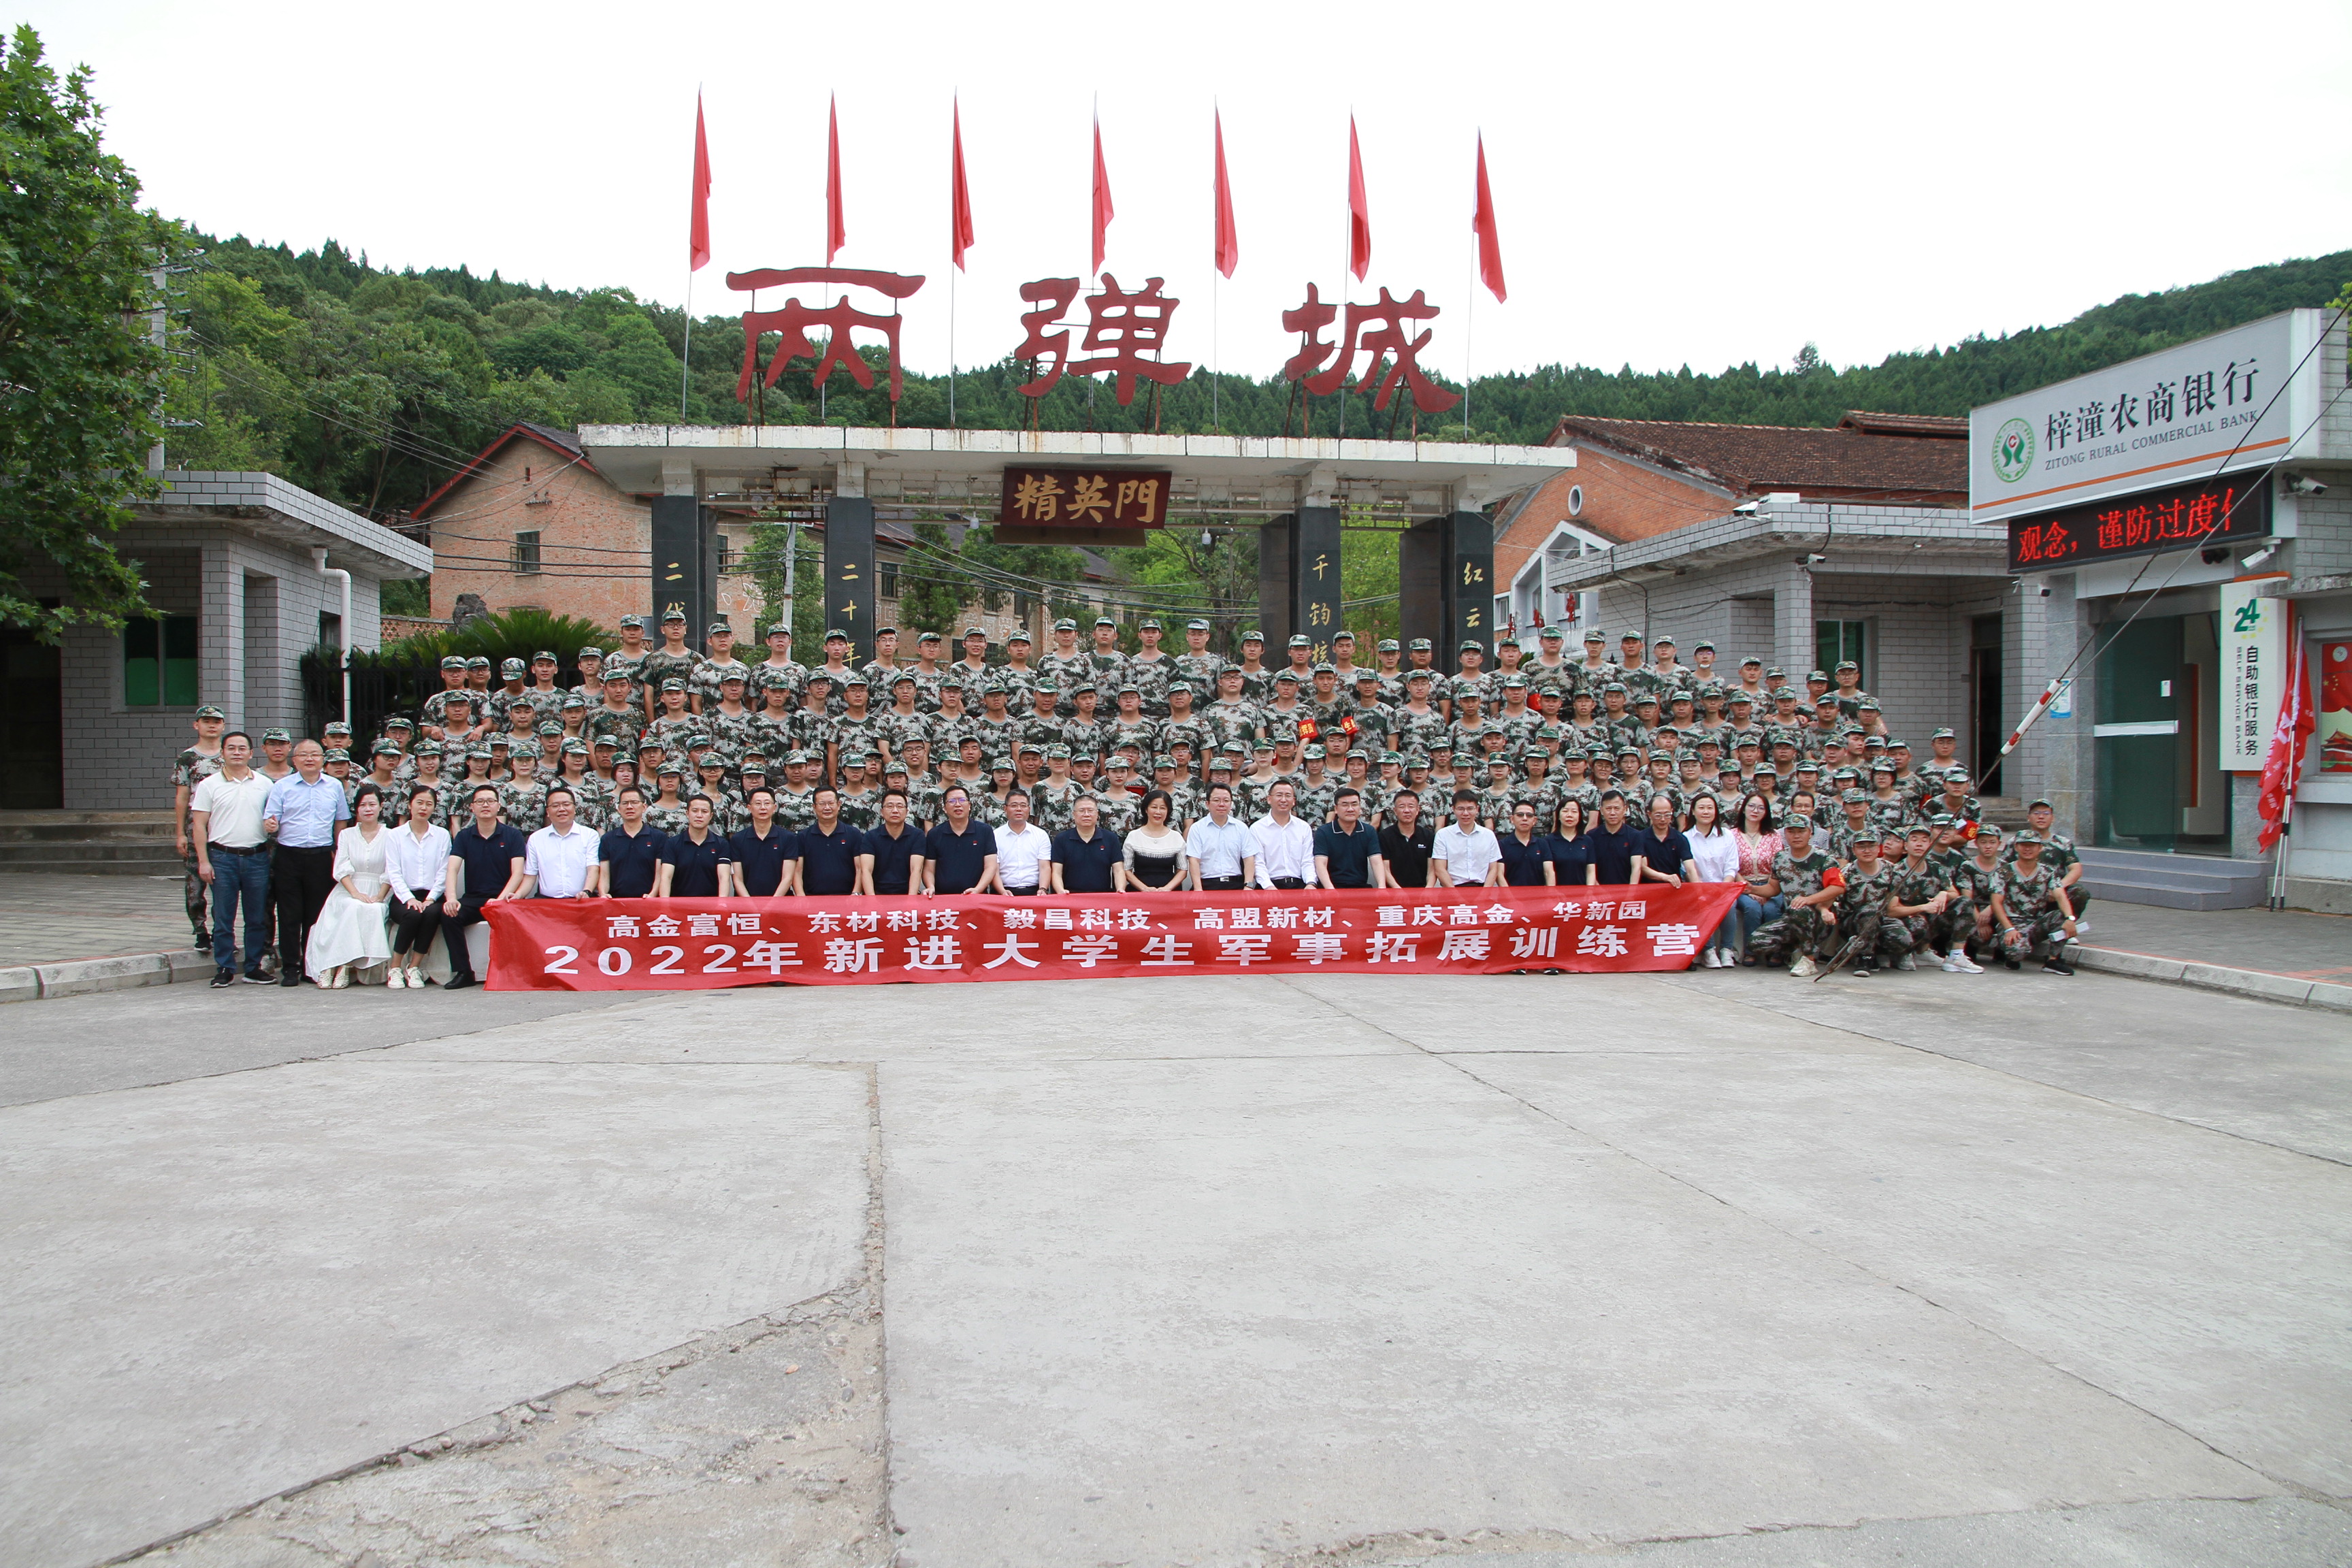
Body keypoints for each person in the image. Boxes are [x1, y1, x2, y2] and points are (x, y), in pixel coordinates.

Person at [191, 732, 276, 987]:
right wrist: (204, 861)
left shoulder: (265, 784)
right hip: (222, 858)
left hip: (257, 857)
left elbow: (273, 817)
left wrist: (273, 825)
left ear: (251, 753)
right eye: (231, 748)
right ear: (223, 753)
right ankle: (225, 968)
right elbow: (199, 825)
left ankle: (253, 967)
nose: (237, 752)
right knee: (223, 918)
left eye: (242, 748)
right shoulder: (209, 785)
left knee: (257, 917)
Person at [263, 740, 350, 987]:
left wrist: (338, 853)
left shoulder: (334, 786)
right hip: (289, 856)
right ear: (295, 760)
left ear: (323, 759)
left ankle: (311, 967)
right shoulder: (282, 786)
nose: (309, 759)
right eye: (304, 755)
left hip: (321, 857)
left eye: (314, 755)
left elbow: (340, 822)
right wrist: (270, 824)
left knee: (316, 915)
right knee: (289, 914)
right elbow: (270, 820)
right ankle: (290, 967)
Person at [306, 783, 395, 987]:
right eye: (363, 805)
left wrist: (380, 896)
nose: (368, 809)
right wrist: (355, 893)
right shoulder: (346, 835)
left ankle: (344, 965)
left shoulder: (391, 835)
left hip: (379, 889)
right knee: (352, 906)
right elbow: (341, 868)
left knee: (372, 909)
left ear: (381, 806)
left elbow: (391, 870)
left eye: (372, 804)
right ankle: (331, 967)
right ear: (356, 809)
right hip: (349, 888)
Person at [441, 784, 527, 988]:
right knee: (449, 915)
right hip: (474, 899)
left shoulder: (513, 835)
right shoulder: (464, 836)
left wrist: (500, 900)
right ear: (472, 808)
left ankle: (513, 972)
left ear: (498, 806)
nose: (485, 805)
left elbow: (518, 873)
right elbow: (452, 869)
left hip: (504, 899)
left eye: (490, 801)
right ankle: (464, 971)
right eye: (480, 802)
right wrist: (451, 898)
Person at [383, 785, 451, 988]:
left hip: (432, 895)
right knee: (413, 914)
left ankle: (414, 967)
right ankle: (395, 968)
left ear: (434, 808)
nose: (424, 808)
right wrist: (409, 898)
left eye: (429, 804)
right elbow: (393, 872)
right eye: (419, 803)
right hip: (403, 895)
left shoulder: (442, 835)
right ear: (409, 805)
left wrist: (431, 898)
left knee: (431, 913)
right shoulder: (395, 835)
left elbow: (444, 870)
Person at [1682, 793, 1742, 968]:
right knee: (1701, 903)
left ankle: (1726, 949)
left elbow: (1731, 867)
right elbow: (1688, 869)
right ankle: (1709, 950)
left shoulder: (1727, 835)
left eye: (1710, 808)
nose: (1706, 812)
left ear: (1716, 812)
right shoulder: (1686, 837)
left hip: (1724, 886)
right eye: (1701, 808)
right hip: (1698, 888)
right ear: (1693, 811)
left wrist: (1724, 890)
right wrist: (1701, 890)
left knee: (1729, 904)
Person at [1729, 792, 1784, 964]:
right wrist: (1749, 888)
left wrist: (1766, 891)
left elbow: (1779, 864)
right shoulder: (1731, 835)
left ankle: (1774, 951)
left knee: (1771, 909)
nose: (1755, 811)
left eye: (1761, 808)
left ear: (1766, 812)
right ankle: (1750, 951)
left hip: (1771, 884)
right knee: (1752, 908)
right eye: (1751, 806)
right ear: (1744, 809)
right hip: (1743, 884)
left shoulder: (1773, 835)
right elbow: (1731, 864)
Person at [518, 787, 598, 899]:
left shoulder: (590, 835)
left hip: (581, 900)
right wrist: (518, 895)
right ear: (548, 812)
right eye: (555, 806)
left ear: (575, 808)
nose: (561, 809)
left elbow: (593, 868)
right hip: (547, 902)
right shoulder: (536, 838)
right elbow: (530, 876)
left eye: (566, 804)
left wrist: (587, 891)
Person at [921, 785, 997, 895]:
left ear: (969, 805)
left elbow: (991, 866)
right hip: (942, 897)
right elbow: (929, 869)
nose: (957, 804)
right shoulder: (934, 834)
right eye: (952, 801)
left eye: (962, 800)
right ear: (944, 808)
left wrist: (978, 889)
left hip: (976, 896)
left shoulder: (984, 831)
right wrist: (930, 886)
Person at [598, 785, 668, 898]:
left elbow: (660, 874)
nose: (629, 807)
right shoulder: (608, 839)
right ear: (619, 809)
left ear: (644, 807)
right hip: (616, 902)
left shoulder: (659, 838)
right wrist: (603, 894)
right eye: (625, 803)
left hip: (648, 901)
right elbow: (604, 875)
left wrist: (652, 895)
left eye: (634, 802)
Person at [726, 787, 798, 898]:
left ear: (774, 808)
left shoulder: (788, 838)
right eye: (758, 804)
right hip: (747, 903)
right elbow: (738, 879)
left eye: (767, 803)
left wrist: (772, 904)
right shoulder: (738, 839)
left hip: (781, 902)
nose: (763, 808)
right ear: (749, 808)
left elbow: (787, 878)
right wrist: (750, 904)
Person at [1185, 784, 1257, 891]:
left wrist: (1248, 886)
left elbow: (1249, 858)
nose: (1222, 804)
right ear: (1207, 804)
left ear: (1231, 804)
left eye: (1226, 801)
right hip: (1207, 885)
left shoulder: (1241, 827)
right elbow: (1194, 860)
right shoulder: (1197, 828)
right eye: (1216, 800)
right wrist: (1198, 889)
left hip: (1235, 884)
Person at [656, 796, 732, 897]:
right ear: (687, 813)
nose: (699, 815)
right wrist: (665, 904)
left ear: (711, 816)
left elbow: (724, 878)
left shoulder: (721, 844)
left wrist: (722, 904)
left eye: (704, 812)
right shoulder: (672, 843)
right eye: (695, 811)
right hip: (680, 904)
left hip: (712, 904)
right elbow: (666, 877)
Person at [1313, 787, 1385, 890]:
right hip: (1331, 887)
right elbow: (1321, 863)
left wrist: (1382, 887)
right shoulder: (1324, 832)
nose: (1350, 809)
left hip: (1360, 887)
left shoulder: (1368, 831)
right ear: (1336, 809)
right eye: (1345, 805)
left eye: (1354, 804)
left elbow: (1376, 861)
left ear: (1360, 807)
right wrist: (1330, 890)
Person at [797, 787, 864, 896]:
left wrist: (855, 894)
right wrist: (801, 897)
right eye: (822, 804)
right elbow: (797, 871)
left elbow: (860, 868)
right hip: (812, 898)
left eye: (831, 803)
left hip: (848, 898)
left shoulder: (853, 834)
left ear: (839, 805)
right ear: (814, 807)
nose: (827, 808)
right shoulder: (803, 837)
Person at [1050, 794, 1124, 893]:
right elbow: (1056, 872)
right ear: (1073, 814)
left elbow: (1119, 870)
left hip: (1103, 895)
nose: (1086, 814)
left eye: (1090, 810)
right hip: (1070, 895)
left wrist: (1120, 889)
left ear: (1097, 814)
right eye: (1081, 811)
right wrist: (1061, 891)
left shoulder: (1111, 838)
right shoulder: (1061, 839)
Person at [858, 789, 922, 896]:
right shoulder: (870, 837)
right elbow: (866, 870)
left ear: (907, 812)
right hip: (877, 893)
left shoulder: (917, 836)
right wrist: (871, 900)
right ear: (882, 812)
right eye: (890, 806)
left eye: (900, 806)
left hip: (906, 893)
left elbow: (916, 869)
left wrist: (911, 900)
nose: (895, 811)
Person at [1252, 781, 1315, 889]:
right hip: (1269, 885)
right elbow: (1258, 863)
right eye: (1279, 795)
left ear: (1293, 801)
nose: (1284, 800)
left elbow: (1308, 861)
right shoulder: (1257, 829)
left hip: (1299, 884)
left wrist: (1311, 883)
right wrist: (1269, 887)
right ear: (1269, 799)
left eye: (1288, 796)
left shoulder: (1304, 827)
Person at [1431, 791, 1502, 887]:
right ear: (1453, 809)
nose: (1465, 813)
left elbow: (1493, 869)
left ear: (1477, 809)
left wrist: (1485, 892)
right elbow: (1440, 869)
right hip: (1452, 888)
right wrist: (1455, 894)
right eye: (1460, 809)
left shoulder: (1488, 835)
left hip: (1482, 888)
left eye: (1470, 809)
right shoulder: (1443, 835)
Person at [1124, 790, 1189, 891]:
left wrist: (1167, 889)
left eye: (1163, 808)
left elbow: (1183, 870)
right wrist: (1144, 889)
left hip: (1170, 893)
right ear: (1146, 809)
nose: (1158, 812)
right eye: (1154, 807)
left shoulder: (1176, 837)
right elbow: (1126, 870)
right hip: (1138, 893)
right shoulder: (1134, 836)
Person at [991, 790, 1053, 894]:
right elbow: (994, 869)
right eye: (1014, 806)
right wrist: (1002, 891)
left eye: (1023, 806)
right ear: (1005, 809)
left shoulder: (1041, 835)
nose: (1019, 809)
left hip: (1034, 891)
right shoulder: (995, 836)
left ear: (1029, 809)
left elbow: (1045, 867)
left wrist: (1043, 889)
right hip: (1003, 891)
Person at [1632, 793, 1696, 889]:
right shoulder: (1640, 838)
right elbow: (1643, 867)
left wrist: (1698, 889)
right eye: (1658, 815)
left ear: (1672, 812)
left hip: (1673, 889)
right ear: (1649, 814)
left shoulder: (1680, 838)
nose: (1663, 819)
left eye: (1667, 815)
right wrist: (1666, 877)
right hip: (1648, 890)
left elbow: (1690, 869)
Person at [1377, 789, 1436, 888]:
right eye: (1402, 807)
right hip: (1394, 891)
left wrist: (1428, 890)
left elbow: (1432, 870)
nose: (1407, 811)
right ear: (1395, 811)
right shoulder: (1385, 836)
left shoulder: (1428, 836)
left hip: (1422, 890)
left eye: (1411, 806)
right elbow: (1385, 869)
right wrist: (1398, 891)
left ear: (1417, 810)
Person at [1584, 789, 1642, 887]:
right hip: (1599, 891)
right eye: (1608, 809)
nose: (1612, 813)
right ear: (1601, 810)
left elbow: (1636, 867)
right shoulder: (1592, 836)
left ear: (1625, 809)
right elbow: (1590, 868)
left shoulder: (1635, 836)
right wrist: (1599, 891)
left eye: (1617, 808)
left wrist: (1631, 891)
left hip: (1626, 890)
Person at [1496, 800, 1552, 885]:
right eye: (1520, 815)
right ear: (1512, 819)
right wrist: (1508, 894)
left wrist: (1551, 892)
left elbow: (1549, 872)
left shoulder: (1542, 844)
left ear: (1534, 820)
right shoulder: (1502, 845)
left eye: (1529, 815)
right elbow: (1499, 875)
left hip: (1539, 893)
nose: (1525, 819)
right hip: (1510, 893)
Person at [1542, 798, 1592, 887]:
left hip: (1582, 893)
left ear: (1580, 816)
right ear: (1558, 816)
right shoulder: (1548, 841)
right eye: (1565, 811)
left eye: (1574, 812)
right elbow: (1548, 872)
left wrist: (1590, 891)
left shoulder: (1587, 840)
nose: (1569, 815)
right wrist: (1552, 892)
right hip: (1557, 893)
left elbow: (1590, 871)